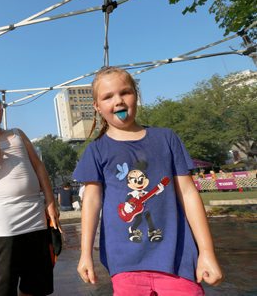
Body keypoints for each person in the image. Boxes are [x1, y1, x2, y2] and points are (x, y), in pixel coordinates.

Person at [74, 67, 223, 295]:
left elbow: (188, 194)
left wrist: (207, 252)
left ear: (136, 94)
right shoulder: (96, 150)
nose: (118, 101)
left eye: (125, 92)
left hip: (177, 259)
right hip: (124, 264)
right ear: (96, 106)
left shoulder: (166, 138)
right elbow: (92, 202)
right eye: (107, 96)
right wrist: (85, 254)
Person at [0, 91, 61, 296]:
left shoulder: (17, 134)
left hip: (35, 216)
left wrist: (50, 202)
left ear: (2, 111)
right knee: (3, 285)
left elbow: (39, 167)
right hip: (4, 224)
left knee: (36, 284)